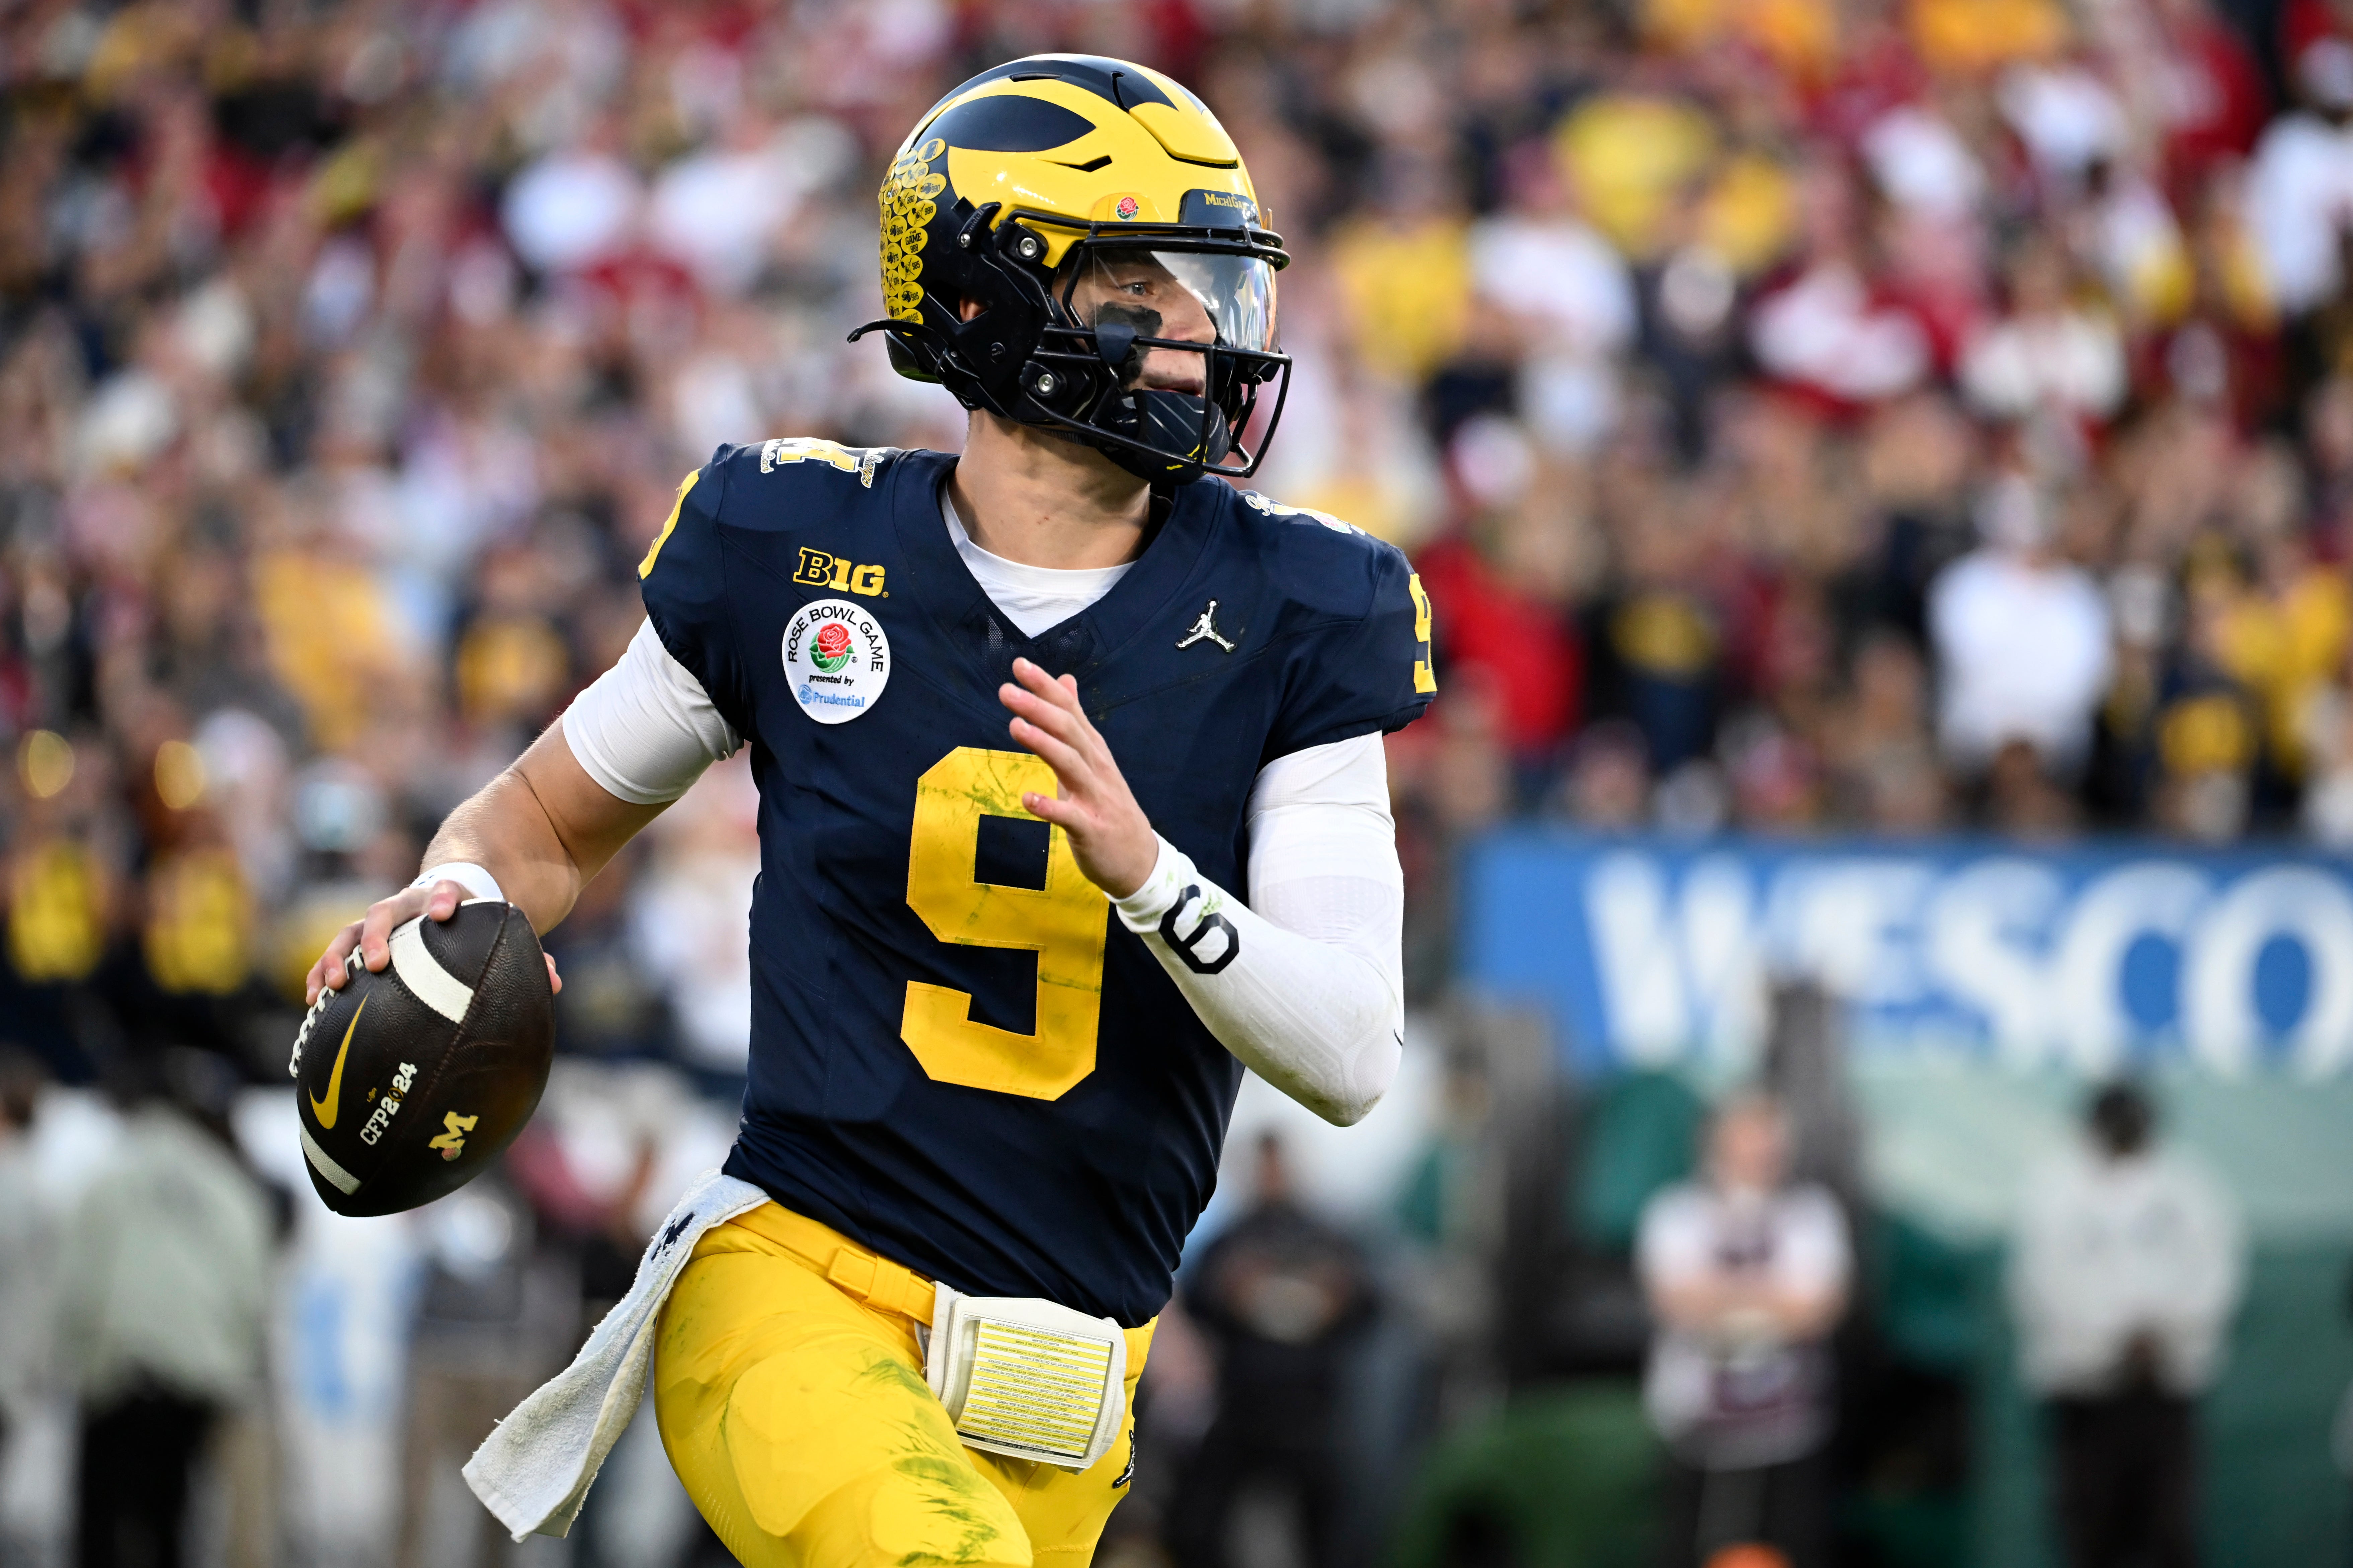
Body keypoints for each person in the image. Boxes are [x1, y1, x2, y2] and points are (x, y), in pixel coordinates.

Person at [305, 54, 1433, 1568]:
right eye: (1135, 293)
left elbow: (1352, 1051)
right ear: (981, 298)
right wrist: (461, 900)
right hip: (797, 1282)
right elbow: (538, 824)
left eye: (1212, 294)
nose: (1194, 342)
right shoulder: (794, 545)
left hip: (1075, 1380)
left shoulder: (1305, 603)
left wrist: (1151, 874)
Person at [2010, 1081, 2244, 1568]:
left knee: (2169, 1527)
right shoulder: (2057, 1187)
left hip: (2166, 1382)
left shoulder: (2186, 1184)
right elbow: (2042, 1283)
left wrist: (2160, 1332)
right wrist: (2109, 1334)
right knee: (2089, 1527)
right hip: (2085, 1387)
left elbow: (2214, 1273)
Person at [57, 1051, 274, 1568]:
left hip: (118, 1373)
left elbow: (80, 1279)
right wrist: (231, 1371)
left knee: (100, 1529)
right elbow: (250, 1292)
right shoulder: (230, 1189)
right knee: (170, 1526)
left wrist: (77, 1361)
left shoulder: (113, 1174)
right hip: (190, 1383)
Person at [1637, 1092, 1851, 1568]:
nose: (1758, 1156)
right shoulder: (1675, 1211)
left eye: (1767, 1144)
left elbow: (1816, 1306)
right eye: (1745, 1142)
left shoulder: (1811, 1213)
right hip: (1698, 1427)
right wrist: (1767, 1296)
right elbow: (1679, 1299)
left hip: (1788, 1425)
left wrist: (1728, 1296)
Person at [1170, 1134, 1375, 1568]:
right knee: (1196, 1523)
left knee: (1336, 1528)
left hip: (1313, 1413)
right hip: (1242, 1407)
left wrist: (1338, 1296)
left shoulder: (1329, 1238)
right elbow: (1194, 1298)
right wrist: (1230, 1291)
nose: (1271, 1176)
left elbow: (1371, 1303)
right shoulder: (1231, 1239)